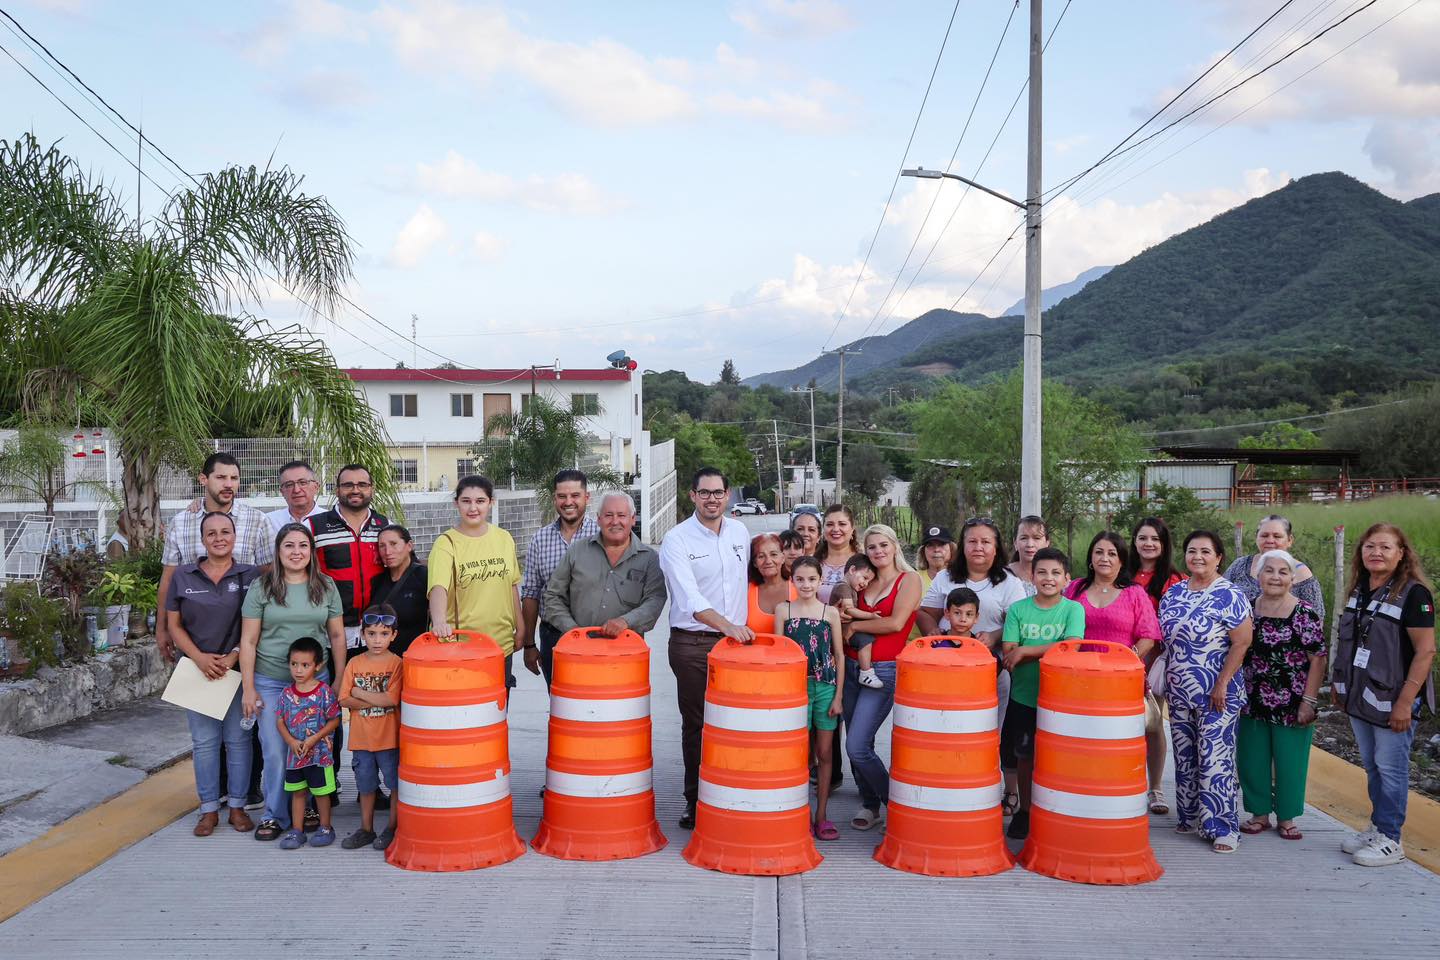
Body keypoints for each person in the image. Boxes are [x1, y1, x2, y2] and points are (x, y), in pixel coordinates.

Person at [1333, 523, 1436, 867]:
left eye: (1385, 547)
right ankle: (1378, 827)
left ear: (1401, 553)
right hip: (1362, 696)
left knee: (1391, 770)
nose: (1376, 552)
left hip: (1394, 700)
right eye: (1370, 546)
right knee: (1374, 767)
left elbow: (1425, 652)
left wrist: (1406, 702)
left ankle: (1392, 839)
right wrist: (1340, 684)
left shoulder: (1414, 594)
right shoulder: (1360, 588)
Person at [239, 523, 346, 842]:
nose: (296, 552)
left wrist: (339, 679)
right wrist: (248, 687)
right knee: (273, 749)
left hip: (315, 685)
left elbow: (337, 636)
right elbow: (248, 640)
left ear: (311, 551)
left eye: (302, 546)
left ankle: (311, 808)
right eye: (289, 546)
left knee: (313, 750)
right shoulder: (262, 587)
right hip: (271, 681)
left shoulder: (325, 586)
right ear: (278, 550)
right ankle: (274, 814)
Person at [658, 467, 752, 830]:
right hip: (693, 645)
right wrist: (728, 626)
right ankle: (694, 801)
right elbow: (689, 597)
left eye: (718, 492)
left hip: (736, 647)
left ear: (727, 495)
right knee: (697, 724)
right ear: (692, 496)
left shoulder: (740, 533)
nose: (712, 498)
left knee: (733, 724)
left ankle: (731, 794)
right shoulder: (677, 539)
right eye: (705, 492)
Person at [164, 511, 262, 836]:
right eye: (211, 533)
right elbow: (173, 625)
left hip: (238, 669)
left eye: (225, 532)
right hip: (197, 671)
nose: (219, 538)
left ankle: (237, 806)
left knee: (239, 741)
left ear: (235, 537)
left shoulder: (250, 575)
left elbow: (260, 622)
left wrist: (234, 655)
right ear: (202, 539)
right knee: (205, 743)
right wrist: (199, 658)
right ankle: (208, 810)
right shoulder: (183, 575)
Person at [1159, 530, 1253, 854]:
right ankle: (1190, 817)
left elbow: (1242, 642)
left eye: (1205, 551)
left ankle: (1223, 827)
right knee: (1184, 757)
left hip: (1218, 692)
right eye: (1191, 551)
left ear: (1219, 557)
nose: (1197, 556)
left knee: (1216, 759)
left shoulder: (1230, 594)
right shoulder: (1173, 594)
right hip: (1180, 690)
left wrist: (1223, 682)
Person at [1063, 531, 1170, 815]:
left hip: (1122, 678)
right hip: (1081, 679)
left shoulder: (1134, 593)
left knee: (1144, 730)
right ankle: (1089, 787)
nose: (1105, 558)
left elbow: (1149, 635)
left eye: (1112, 553)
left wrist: (1127, 660)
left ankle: (1153, 788)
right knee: (1085, 734)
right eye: (1099, 552)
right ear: (1090, 558)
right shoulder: (1073, 590)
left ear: (1122, 561)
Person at [1238, 550, 1326, 842]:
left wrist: (1309, 702)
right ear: (1258, 576)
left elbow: (1318, 658)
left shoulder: (1305, 612)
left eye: (1282, 572)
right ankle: (1259, 814)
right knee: (1252, 758)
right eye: (1269, 571)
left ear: (1291, 579)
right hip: (1252, 698)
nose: (1275, 577)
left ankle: (1286, 817)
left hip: (1293, 701)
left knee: (1290, 762)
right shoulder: (1248, 610)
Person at [840, 524, 921, 832]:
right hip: (851, 666)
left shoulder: (908, 580)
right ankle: (869, 805)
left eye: (883, 545)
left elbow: (896, 623)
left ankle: (896, 806)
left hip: (884, 669)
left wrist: (857, 627)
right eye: (871, 546)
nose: (878, 551)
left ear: (894, 545)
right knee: (860, 740)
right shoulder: (864, 580)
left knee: (857, 746)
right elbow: (845, 612)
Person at [1001, 547, 1086, 840]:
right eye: (1042, 572)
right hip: (1024, 697)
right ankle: (1025, 810)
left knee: (1060, 758)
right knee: (1025, 757)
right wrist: (1035, 650)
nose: (1048, 578)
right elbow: (1009, 652)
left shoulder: (1073, 609)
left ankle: (1057, 811)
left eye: (1055, 573)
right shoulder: (1019, 609)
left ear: (1066, 579)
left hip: (1061, 700)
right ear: (1032, 576)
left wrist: (1028, 649)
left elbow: (1071, 646)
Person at [157, 452, 274, 662]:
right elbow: (168, 580)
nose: (228, 484)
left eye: (234, 478)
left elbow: (271, 577)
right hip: (193, 640)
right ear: (204, 479)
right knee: (193, 695)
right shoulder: (182, 522)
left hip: (244, 639)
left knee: (243, 695)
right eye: (221, 478)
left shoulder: (257, 521)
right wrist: (162, 627)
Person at [427, 476, 523, 685]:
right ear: (456, 503)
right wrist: (440, 621)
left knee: (497, 713)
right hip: (461, 647)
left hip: (501, 645)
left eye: (480, 501)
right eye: (466, 501)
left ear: (491, 502)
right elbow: (438, 588)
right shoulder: (446, 543)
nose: (473, 508)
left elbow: (512, 585)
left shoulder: (504, 538)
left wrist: (521, 626)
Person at [777, 556, 845, 841]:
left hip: (826, 687)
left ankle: (822, 814)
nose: (806, 584)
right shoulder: (784, 610)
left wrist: (838, 696)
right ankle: (799, 811)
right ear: (792, 580)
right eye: (800, 579)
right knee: (799, 755)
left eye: (812, 579)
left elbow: (839, 655)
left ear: (820, 580)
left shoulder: (830, 613)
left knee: (825, 752)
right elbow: (779, 654)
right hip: (796, 689)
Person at [542, 491, 667, 640]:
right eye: (608, 515)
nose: (615, 522)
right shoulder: (576, 551)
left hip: (627, 653)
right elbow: (553, 596)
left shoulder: (649, 559)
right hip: (579, 651)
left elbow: (655, 600)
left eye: (621, 515)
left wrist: (626, 621)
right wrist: (573, 631)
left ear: (633, 519)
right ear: (599, 519)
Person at [521, 470, 599, 684]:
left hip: (595, 635)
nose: (568, 502)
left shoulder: (602, 534)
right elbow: (531, 593)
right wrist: (529, 644)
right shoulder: (540, 539)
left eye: (575, 495)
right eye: (562, 496)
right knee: (561, 704)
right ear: (554, 498)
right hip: (553, 636)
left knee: (600, 703)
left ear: (587, 497)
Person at [338, 604, 404, 851]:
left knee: (395, 785)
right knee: (365, 786)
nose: (377, 640)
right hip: (361, 740)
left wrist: (358, 691)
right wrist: (364, 696)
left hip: (389, 739)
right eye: (372, 634)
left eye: (384, 634)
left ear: (394, 635)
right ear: (362, 634)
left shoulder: (397, 664)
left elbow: (391, 699)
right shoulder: (354, 663)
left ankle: (392, 827)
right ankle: (366, 829)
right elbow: (343, 699)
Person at [275, 636, 340, 850]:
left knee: (321, 793)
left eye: (305, 665)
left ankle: (325, 827)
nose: (298, 670)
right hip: (296, 757)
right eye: (294, 664)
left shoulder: (324, 692)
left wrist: (314, 738)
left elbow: (335, 720)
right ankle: (297, 830)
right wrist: (291, 741)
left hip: (320, 756)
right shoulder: (286, 694)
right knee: (298, 792)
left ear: (318, 665)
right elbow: (280, 721)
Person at [1224, 514, 1325, 621]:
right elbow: (1219, 598)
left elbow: (1316, 618)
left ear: (1289, 540)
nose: (1270, 540)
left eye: (1277, 536)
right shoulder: (1240, 565)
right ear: (1256, 537)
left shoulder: (1302, 573)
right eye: (1264, 535)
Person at [369, 525, 429, 656]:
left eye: (393, 544)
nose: (388, 551)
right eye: (382, 546)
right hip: (384, 663)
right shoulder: (377, 581)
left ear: (409, 546)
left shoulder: (424, 576)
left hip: (415, 658)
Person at [830, 554, 879, 688]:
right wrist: (871, 616)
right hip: (839, 627)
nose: (865, 584)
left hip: (841, 627)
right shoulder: (843, 586)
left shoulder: (850, 588)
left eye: (868, 582)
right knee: (865, 639)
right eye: (865, 578)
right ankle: (866, 672)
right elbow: (849, 609)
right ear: (852, 570)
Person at [1128, 517, 1182, 612]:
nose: (1148, 543)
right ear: (1135, 541)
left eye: (1155, 539)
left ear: (1164, 543)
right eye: (1142, 538)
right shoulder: (1119, 574)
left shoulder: (1174, 581)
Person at [746, 532, 796, 635]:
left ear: (782, 558)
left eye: (773, 554)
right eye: (761, 556)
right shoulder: (746, 590)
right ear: (755, 563)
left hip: (791, 651)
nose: (768, 561)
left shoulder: (798, 587)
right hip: (754, 650)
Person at [912, 525, 955, 639]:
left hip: (951, 644)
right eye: (930, 545)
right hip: (913, 643)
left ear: (952, 548)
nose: (936, 550)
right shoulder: (912, 578)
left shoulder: (961, 579)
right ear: (923, 552)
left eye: (941, 544)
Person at [267, 460, 326, 537]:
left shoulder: (331, 521)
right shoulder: (269, 522)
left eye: (303, 483)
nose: (296, 490)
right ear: (282, 491)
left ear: (316, 486)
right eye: (289, 485)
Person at [815, 505, 860, 603]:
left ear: (852, 528)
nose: (835, 529)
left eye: (842, 524)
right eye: (830, 524)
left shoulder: (864, 562)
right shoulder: (813, 562)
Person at [1006, 515, 1051, 595]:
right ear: (1015, 543)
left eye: (1037, 538)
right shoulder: (1004, 575)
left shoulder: (1056, 575)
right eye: (1024, 538)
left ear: (1047, 543)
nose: (1030, 544)